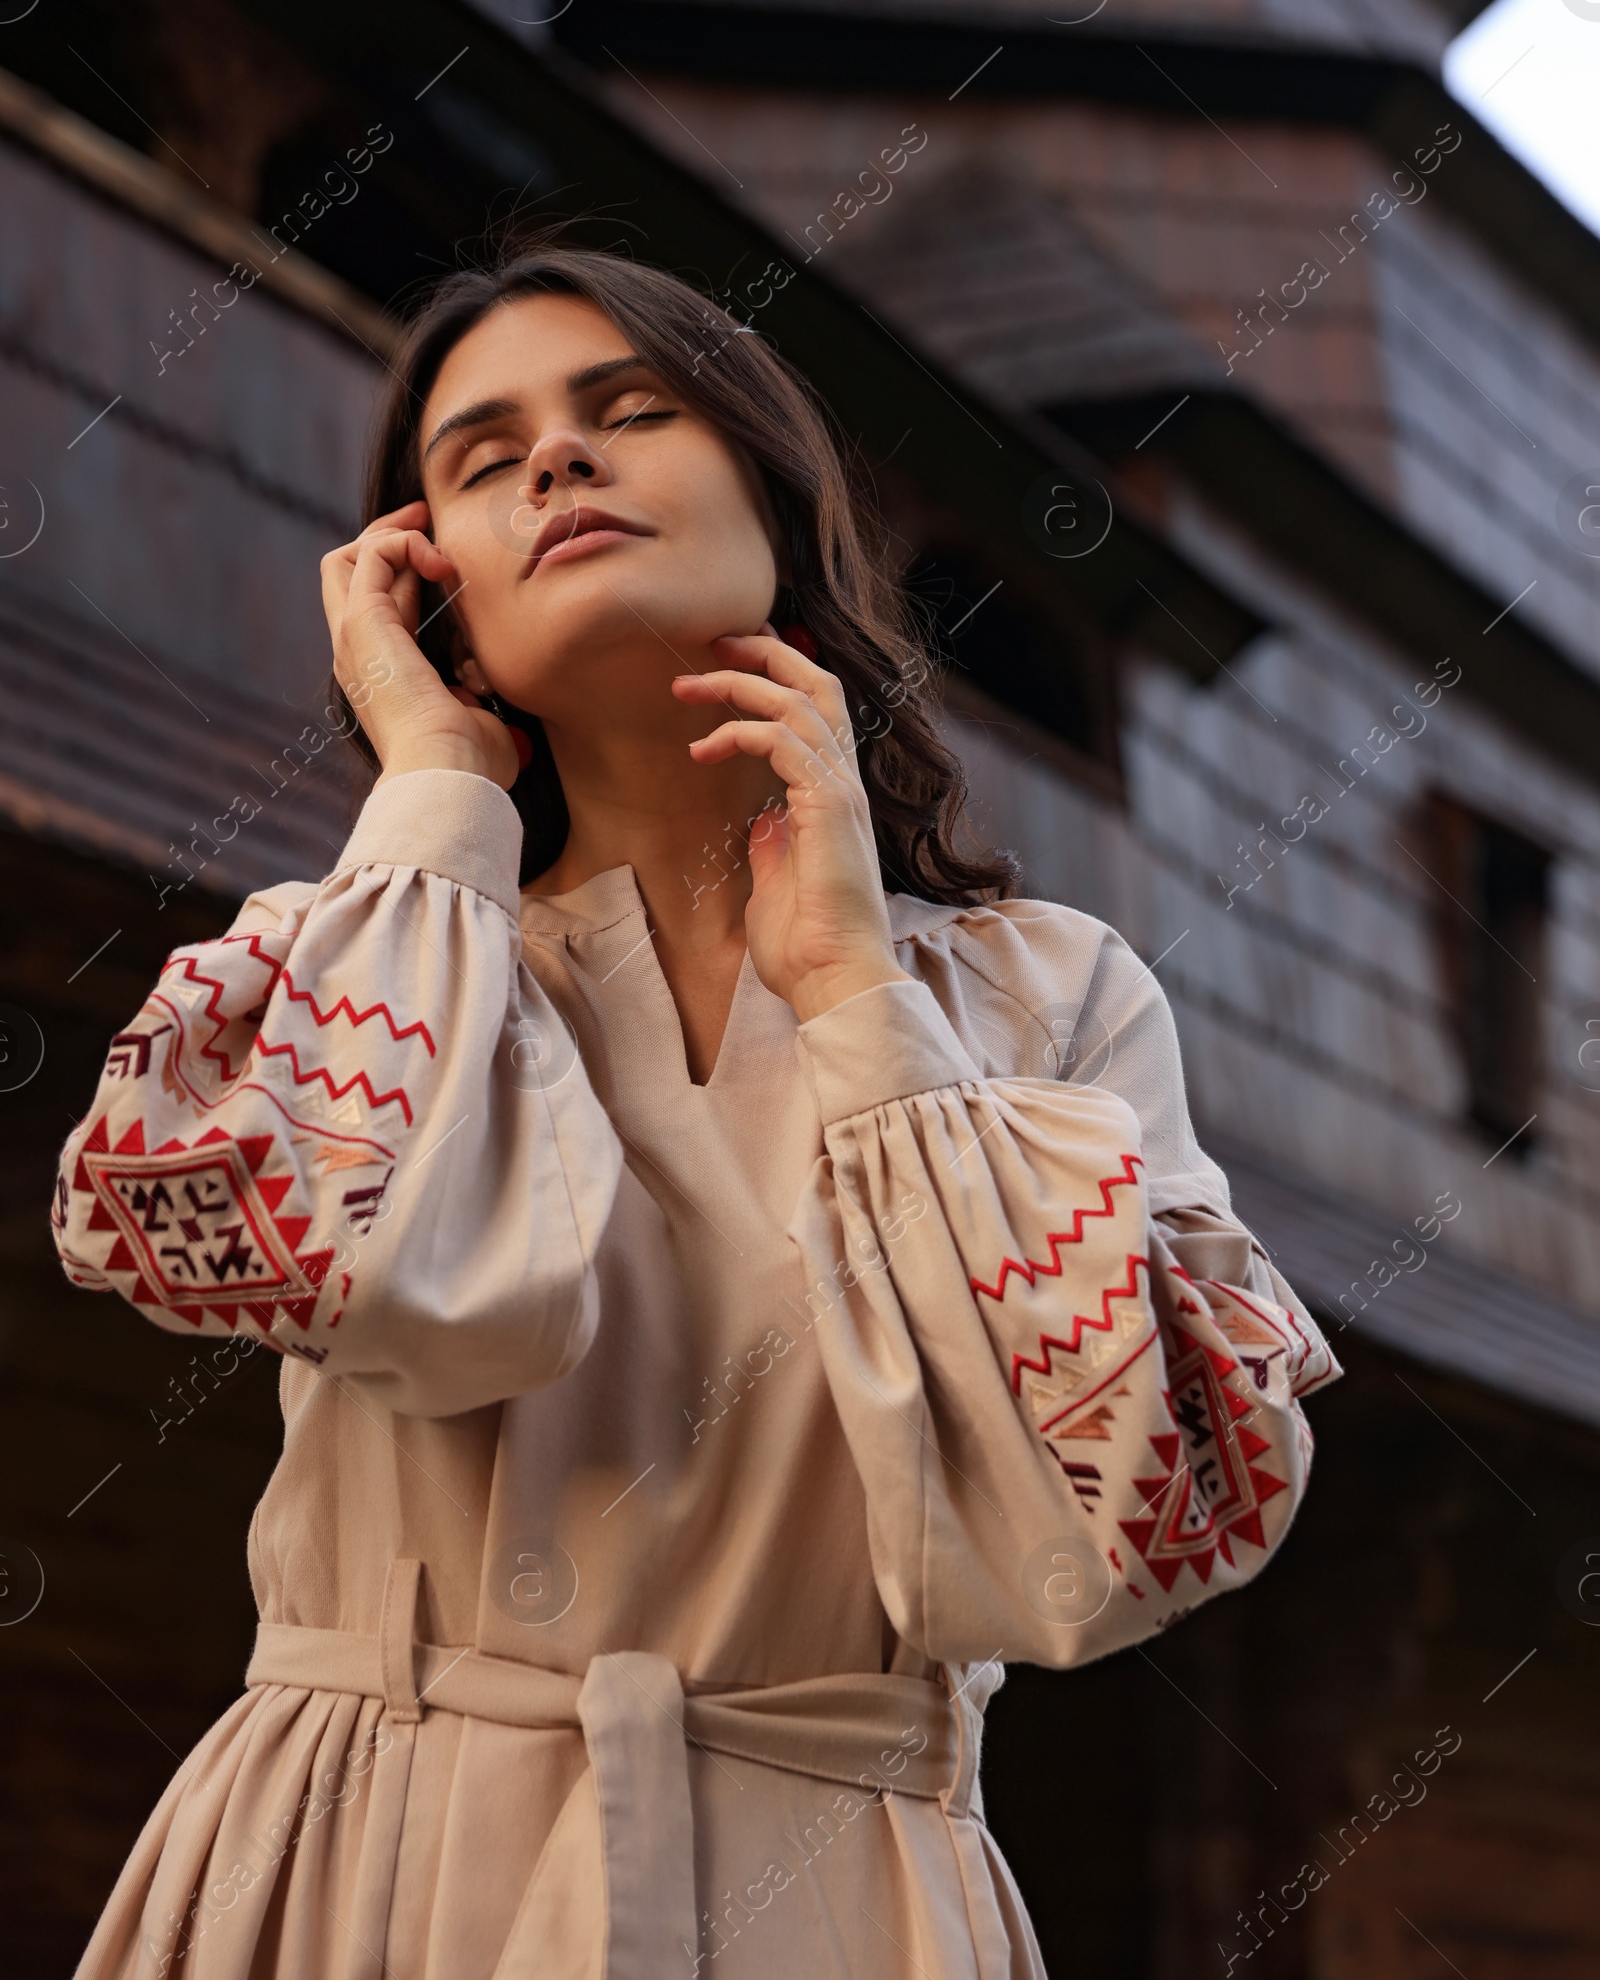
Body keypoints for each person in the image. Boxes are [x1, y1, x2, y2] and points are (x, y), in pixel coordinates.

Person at [53, 244, 1340, 1979]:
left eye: (627, 411)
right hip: (360, 1872)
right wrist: (433, 787)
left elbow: (1124, 1533)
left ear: (776, 500)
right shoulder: (344, 955)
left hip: (842, 1894)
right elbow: (342, 1275)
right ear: (433, 593)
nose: (554, 464)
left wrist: (861, 1007)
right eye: (479, 455)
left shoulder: (1048, 995)